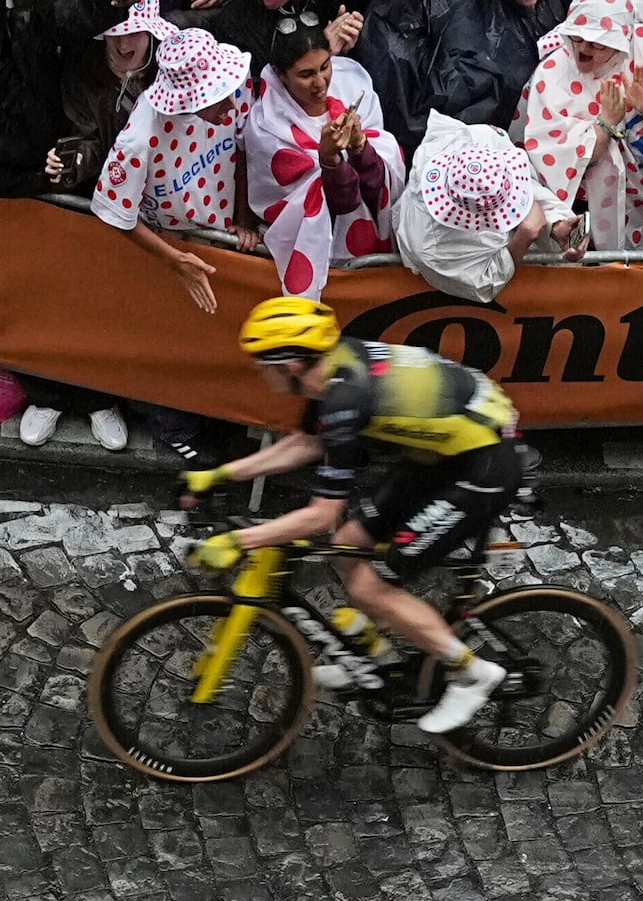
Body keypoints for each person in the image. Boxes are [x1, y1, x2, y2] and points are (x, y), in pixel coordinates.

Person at [177, 293, 530, 736]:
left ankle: (472, 673)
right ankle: (375, 652)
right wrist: (220, 474)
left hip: (483, 468)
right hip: (447, 452)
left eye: (262, 363)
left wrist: (238, 541)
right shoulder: (330, 369)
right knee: (349, 543)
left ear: (290, 365)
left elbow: (319, 515)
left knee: (368, 584)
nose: (257, 371)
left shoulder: (346, 398)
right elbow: (308, 443)